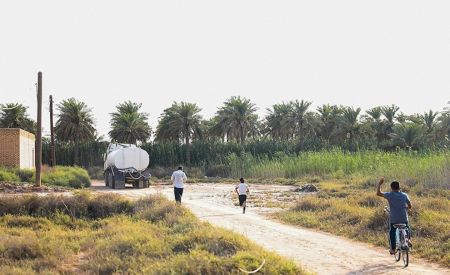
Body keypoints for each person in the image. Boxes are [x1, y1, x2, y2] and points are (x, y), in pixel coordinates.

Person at [376, 177, 412, 255]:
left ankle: (392, 249)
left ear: (391, 188)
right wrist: (406, 207)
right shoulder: (404, 195)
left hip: (394, 219)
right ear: (399, 187)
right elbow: (410, 206)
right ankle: (408, 239)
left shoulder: (389, 195)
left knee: (392, 231)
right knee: (407, 226)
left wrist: (379, 184)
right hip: (403, 217)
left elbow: (378, 193)